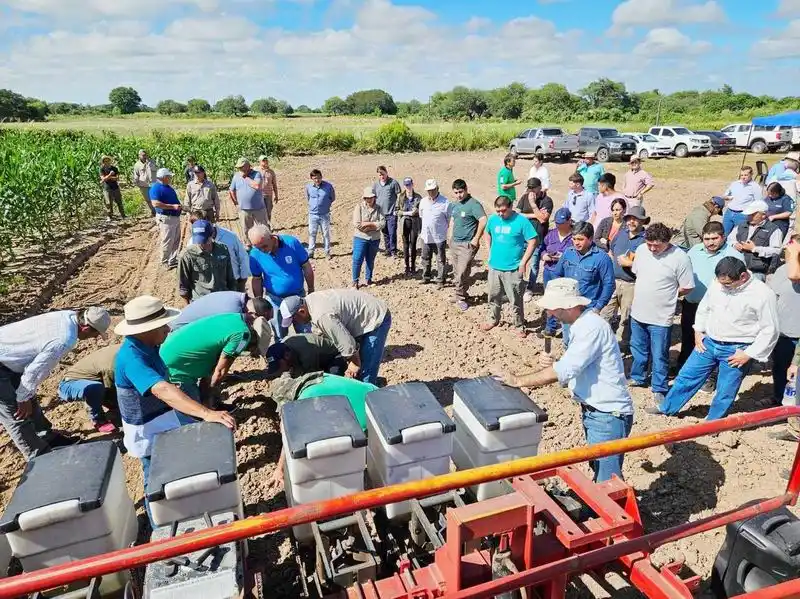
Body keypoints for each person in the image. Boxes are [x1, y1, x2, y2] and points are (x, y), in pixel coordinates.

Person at [495, 278, 633, 482]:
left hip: (607, 414)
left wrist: (517, 380)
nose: (550, 313)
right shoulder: (581, 325)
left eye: (554, 308)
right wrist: (557, 361)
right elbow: (577, 365)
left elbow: (564, 371)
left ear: (569, 306)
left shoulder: (591, 328)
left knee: (608, 480)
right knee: (599, 467)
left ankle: (612, 510)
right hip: (597, 412)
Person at [113, 296, 235, 523]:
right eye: (161, 326)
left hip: (163, 420)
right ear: (144, 330)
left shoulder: (149, 347)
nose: (168, 329)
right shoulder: (132, 357)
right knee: (155, 481)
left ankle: (182, 513)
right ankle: (160, 526)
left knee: (173, 470)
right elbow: (162, 390)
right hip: (148, 430)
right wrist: (207, 413)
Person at [649, 257, 778, 420]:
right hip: (708, 342)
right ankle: (667, 407)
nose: (723, 287)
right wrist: (699, 331)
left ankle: (712, 422)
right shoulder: (717, 283)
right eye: (721, 282)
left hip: (737, 349)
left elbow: (770, 329)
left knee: (725, 389)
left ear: (743, 276)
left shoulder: (763, 294)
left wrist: (749, 354)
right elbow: (705, 307)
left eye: (728, 284)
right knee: (686, 376)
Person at [0, 307, 111, 460]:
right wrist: (22, 398)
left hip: (8, 356)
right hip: (3, 359)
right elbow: (35, 371)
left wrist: (25, 396)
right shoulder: (64, 339)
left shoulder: (69, 315)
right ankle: (40, 458)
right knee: (16, 414)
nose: (95, 337)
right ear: (85, 327)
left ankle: (47, 437)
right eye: (95, 333)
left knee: (29, 398)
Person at [628, 223, 695, 405]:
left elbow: (687, 286)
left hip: (661, 316)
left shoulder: (680, 258)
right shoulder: (642, 250)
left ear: (667, 242)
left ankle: (659, 387)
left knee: (659, 354)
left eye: (656, 245)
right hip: (638, 311)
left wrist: (669, 295)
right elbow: (638, 273)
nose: (652, 248)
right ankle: (638, 377)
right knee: (638, 349)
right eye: (649, 244)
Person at [279, 289, 392, 385]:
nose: (295, 323)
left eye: (294, 319)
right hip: (359, 316)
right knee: (356, 362)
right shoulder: (309, 303)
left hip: (375, 317)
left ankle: (366, 399)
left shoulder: (322, 316)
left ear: (301, 311)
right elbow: (324, 333)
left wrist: (354, 363)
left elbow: (346, 344)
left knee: (366, 368)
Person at [160, 312, 270, 405]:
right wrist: (209, 400)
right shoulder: (243, 337)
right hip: (176, 366)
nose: (249, 352)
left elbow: (214, 367)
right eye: (253, 350)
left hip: (171, 349)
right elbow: (220, 372)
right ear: (254, 340)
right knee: (194, 412)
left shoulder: (235, 318)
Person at [678, 222, 744, 371]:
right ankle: (684, 366)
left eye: (714, 238)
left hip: (717, 308)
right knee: (688, 336)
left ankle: (709, 374)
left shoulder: (734, 256)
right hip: (691, 303)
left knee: (711, 341)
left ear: (723, 237)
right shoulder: (694, 251)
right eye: (706, 239)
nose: (710, 242)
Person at [550, 221, 615, 345]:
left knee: (585, 345)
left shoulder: (602, 258)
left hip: (588, 310)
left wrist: (598, 307)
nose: (576, 242)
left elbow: (609, 285)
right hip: (568, 307)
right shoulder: (568, 253)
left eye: (580, 239)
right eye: (574, 239)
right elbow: (558, 274)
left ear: (590, 239)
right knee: (568, 342)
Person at [481, 195, 537, 337]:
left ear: (511, 207)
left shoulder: (521, 221)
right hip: (494, 267)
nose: (500, 214)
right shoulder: (493, 220)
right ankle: (493, 319)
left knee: (515, 299)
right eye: (498, 211)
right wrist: (489, 250)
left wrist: (523, 262)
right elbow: (486, 233)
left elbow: (533, 241)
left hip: (513, 269)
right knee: (493, 296)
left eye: (503, 210)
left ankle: (519, 325)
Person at [248, 224, 314, 340]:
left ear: (271, 237)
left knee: (305, 331)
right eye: (258, 248)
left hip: (297, 297)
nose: (263, 250)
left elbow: (306, 267)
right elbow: (257, 279)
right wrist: (259, 302)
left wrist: (311, 290)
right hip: (275, 300)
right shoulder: (254, 254)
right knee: (279, 334)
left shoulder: (291, 243)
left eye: (264, 246)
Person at [601, 205, 648, 352]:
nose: (631, 222)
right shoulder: (621, 234)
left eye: (635, 219)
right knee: (605, 313)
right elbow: (612, 249)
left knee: (626, 318)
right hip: (613, 281)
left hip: (631, 284)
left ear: (642, 221)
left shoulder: (646, 241)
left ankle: (622, 345)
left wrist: (631, 264)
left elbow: (649, 265)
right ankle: (602, 342)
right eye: (629, 219)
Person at [767, 239, 800, 413]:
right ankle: (779, 400)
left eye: (791, 251)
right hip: (783, 331)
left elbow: (794, 275)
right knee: (780, 368)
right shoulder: (781, 270)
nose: (786, 253)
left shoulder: (794, 272)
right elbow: (773, 295)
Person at [59, 344, 121, 433]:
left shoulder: (126, 349)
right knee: (95, 389)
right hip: (70, 384)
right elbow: (111, 387)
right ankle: (98, 420)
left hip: (97, 379)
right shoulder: (111, 366)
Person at [188, 210, 250, 292]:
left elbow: (243, 257)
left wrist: (243, 280)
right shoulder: (192, 242)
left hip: (233, 282)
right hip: (209, 287)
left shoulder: (230, 236)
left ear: (210, 223)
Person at [178, 220, 236, 305]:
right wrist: (189, 308)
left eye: (204, 240)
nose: (201, 244)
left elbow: (230, 277)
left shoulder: (223, 249)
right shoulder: (187, 255)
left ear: (212, 235)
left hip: (223, 298)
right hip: (201, 302)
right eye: (199, 241)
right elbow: (183, 287)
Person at [449, 179, 487, 311]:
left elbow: (483, 220)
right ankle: (460, 293)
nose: (459, 195)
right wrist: (450, 236)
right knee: (456, 272)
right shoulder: (455, 204)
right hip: (455, 243)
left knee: (462, 272)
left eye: (461, 192)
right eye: (456, 192)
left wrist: (476, 239)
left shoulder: (474, 204)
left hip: (467, 244)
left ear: (466, 189)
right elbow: (453, 219)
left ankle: (460, 297)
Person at [727, 200, 783, 281]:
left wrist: (755, 249)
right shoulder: (741, 225)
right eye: (749, 214)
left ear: (763, 215)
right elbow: (729, 239)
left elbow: (777, 250)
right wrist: (734, 244)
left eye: (753, 214)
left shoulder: (774, 230)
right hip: (737, 267)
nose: (749, 217)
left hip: (757, 271)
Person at [517, 177, 553, 302]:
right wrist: (535, 215)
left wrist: (533, 205)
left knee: (533, 264)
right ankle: (518, 284)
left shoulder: (547, 201)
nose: (531, 191)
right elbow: (516, 214)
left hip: (537, 238)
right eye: (529, 188)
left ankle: (530, 288)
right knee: (519, 262)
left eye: (533, 188)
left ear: (539, 187)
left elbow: (543, 219)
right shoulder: (524, 197)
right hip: (522, 237)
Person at [541, 208, 574, 337]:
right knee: (550, 301)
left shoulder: (574, 237)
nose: (558, 226)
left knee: (566, 302)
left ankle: (568, 331)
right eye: (557, 223)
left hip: (565, 273)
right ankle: (551, 327)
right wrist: (544, 255)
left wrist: (564, 257)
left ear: (569, 221)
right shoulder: (551, 234)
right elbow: (542, 248)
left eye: (561, 223)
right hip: (549, 271)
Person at [170, 291, 272, 331]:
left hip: (182, 325)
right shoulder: (233, 311)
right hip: (179, 332)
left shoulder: (238, 297)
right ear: (252, 314)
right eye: (263, 319)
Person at [265, 333, 345, 378]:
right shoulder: (286, 344)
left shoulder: (306, 355)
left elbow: (311, 378)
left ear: (287, 356)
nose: (279, 371)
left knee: (332, 378)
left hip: (336, 355)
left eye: (278, 366)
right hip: (317, 358)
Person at [419, 179, 451, 289]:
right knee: (425, 257)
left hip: (439, 237)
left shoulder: (445, 202)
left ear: (437, 189)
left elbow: (449, 219)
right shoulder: (423, 201)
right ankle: (426, 277)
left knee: (440, 259)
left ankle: (440, 279)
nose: (431, 192)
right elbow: (421, 216)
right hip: (426, 236)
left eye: (433, 190)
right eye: (428, 190)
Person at [352, 187, 385, 288]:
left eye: (370, 197)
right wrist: (374, 226)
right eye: (366, 198)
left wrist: (369, 224)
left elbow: (383, 223)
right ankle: (355, 280)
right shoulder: (359, 207)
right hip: (360, 237)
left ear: (374, 197)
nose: (369, 200)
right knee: (357, 259)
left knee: (370, 260)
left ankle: (368, 279)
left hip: (374, 239)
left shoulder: (379, 208)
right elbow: (357, 223)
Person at [150, 167, 182, 269]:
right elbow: (155, 203)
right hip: (166, 218)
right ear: (163, 177)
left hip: (174, 218)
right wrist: (172, 207)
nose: (170, 178)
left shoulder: (168, 187)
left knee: (176, 240)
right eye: (169, 176)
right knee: (167, 240)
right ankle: (164, 261)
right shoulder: (156, 188)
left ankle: (172, 260)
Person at [229, 158, 266, 247]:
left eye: (242, 167)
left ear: (247, 166)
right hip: (244, 209)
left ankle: (264, 244)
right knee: (246, 229)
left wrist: (246, 177)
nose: (240, 169)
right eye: (239, 168)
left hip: (258, 208)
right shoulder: (236, 176)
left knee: (263, 228)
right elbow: (231, 190)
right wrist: (236, 202)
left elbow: (257, 186)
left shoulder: (257, 174)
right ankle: (248, 246)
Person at [305, 168, 336, 259]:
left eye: (318, 178)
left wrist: (325, 205)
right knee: (312, 233)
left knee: (326, 233)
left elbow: (332, 198)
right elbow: (308, 198)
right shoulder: (308, 187)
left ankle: (327, 252)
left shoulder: (328, 186)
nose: (317, 180)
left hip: (324, 214)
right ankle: (311, 252)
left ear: (321, 177)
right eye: (314, 178)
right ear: (312, 179)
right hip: (312, 214)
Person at [722, 166, 761, 235]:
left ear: (751, 175)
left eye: (746, 175)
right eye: (741, 175)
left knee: (741, 235)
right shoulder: (735, 184)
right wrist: (728, 197)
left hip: (742, 215)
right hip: (729, 212)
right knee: (723, 234)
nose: (743, 177)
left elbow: (758, 203)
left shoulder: (755, 187)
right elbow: (724, 196)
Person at [373, 166, 402, 257]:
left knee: (392, 232)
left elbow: (399, 196)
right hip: (381, 213)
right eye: (379, 174)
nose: (381, 176)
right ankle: (388, 249)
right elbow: (373, 197)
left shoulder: (393, 183)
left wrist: (397, 208)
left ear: (386, 172)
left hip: (391, 212)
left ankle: (393, 250)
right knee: (385, 233)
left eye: (383, 174)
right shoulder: (376, 185)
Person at [397, 177, 422, 275]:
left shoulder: (418, 197)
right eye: (406, 185)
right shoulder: (400, 197)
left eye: (410, 184)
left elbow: (421, 210)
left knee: (413, 245)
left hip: (414, 223)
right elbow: (396, 210)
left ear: (413, 184)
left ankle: (413, 267)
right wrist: (406, 213)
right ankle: (407, 266)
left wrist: (415, 212)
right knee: (405, 245)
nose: (408, 187)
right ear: (404, 186)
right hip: (404, 223)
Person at [99, 155, 124, 221]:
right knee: (108, 203)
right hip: (107, 188)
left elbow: (117, 178)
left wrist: (107, 178)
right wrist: (110, 175)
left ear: (110, 161)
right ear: (103, 162)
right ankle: (109, 216)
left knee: (119, 202)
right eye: (105, 161)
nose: (106, 162)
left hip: (115, 187)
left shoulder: (115, 168)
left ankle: (123, 215)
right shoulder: (102, 169)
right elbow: (103, 178)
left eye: (107, 161)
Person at [133, 149, 157, 217]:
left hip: (153, 183)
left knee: (155, 198)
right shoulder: (137, 165)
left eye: (146, 155)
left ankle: (158, 211)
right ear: (139, 156)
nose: (145, 156)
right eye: (143, 155)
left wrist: (150, 165)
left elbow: (157, 169)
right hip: (143, 185)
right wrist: (136, 182)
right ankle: (153, 211)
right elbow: (136, 175)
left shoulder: (152, 161)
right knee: (148, 200)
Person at [257, 155, 279, 225]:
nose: (265, 162)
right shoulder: (256, 170)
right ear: (260, 162)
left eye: (266, 160)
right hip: (258, 195)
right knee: (259, 212)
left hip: (268, 195)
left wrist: (276, 195)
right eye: (263, 160)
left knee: (268, 212)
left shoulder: (271, 172)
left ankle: (267, 226)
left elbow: (274, 184)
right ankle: (260, 227)